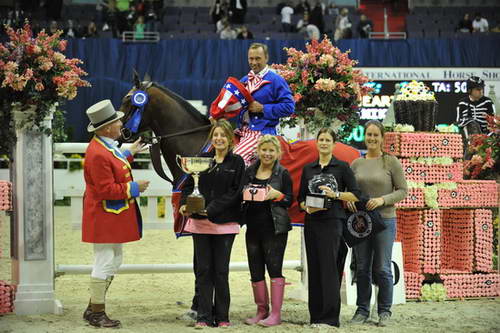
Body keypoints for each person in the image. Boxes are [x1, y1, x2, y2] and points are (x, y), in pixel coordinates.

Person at [82, 100, 150, 328]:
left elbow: (114, 161)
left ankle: (93, 306)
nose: (121, 123)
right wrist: (134, 188)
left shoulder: (104, 146)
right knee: (104, 260)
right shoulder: (98, 153)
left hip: (109, 214)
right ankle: (97, 312)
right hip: (104, 214)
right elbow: (105, 189)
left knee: (114, 259)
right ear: (107, 127)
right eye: (117, 121)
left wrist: (128, 153)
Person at [179, 119, 245, 328]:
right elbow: (189, 185)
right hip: (200, 224)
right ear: (211, 138)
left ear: (230, 139)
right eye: (215, 135)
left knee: (221, 271)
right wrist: (184, 204)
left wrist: (212, 208)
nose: (219, 139)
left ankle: (223, 316)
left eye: (222, 135)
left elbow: (236, 193)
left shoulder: (237, 163)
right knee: (203, 270)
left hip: (224, 224)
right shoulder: (201, 159)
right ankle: (203, 317)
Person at [298, 128, 362, 328]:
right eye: (321, 139)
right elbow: (300, 199)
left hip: (333, 223)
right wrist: (306, 208)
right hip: (312, 223)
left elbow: (356, 195)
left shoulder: (342, 167)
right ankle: (316, 317)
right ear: (316, 143)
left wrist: (335, 195)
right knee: (315, 270)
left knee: (329, 270)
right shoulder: (308, 169)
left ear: (334, 145)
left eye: (328, 140)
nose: (324, 143)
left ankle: (330, 318)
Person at [348, 120, 408, 327]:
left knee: (382, 268)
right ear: (364, 137)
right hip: (361, 222)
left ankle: (384, 311)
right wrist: (349, 201)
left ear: (382, 138)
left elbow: (402, 190)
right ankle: (362, 310)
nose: (372, 138)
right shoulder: (356, 164)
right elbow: (350, 191)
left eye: (376, 135)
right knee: (362, 266)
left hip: (385, 220)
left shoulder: (391, 162)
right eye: (369, 135)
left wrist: (383, 200)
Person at [211, 43, 295, 166]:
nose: (254, 62)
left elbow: (289, 107)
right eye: (251, 58)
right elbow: (231, 104)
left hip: (262, 132)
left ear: (266, 58)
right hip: (242, 131)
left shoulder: (276, 80)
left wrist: (263, 108)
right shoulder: (244, 80)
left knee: (236, 161)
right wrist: (216, 115)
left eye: (258, 58)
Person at [241, 135, 293, 327]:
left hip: (275, 228)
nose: (267, 153)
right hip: (253, 228)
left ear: (277, 153)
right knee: (255, 270)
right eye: (264, 150)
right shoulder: (248, 172)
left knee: (274, 268)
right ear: (258, 151)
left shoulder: (283, 173)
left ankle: (276, 313)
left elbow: (290, 200)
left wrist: (278, 195)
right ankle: (262, 310)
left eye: (271, 150)